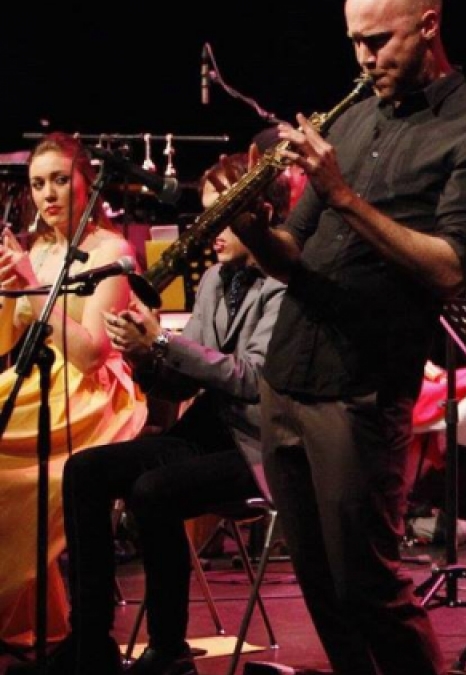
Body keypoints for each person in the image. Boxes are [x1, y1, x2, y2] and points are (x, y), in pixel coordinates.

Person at [228, 0, 466, 673]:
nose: (364, 58)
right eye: (354, 42)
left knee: (366, 585)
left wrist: (342, 194)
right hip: (288, 373)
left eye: (378, 40)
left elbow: (450, 269)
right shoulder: (353, 116)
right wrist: (249, 224)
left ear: (429, 25)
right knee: (317, 582)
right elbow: (290, 254)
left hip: (361, 383)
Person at [13, 152, 288, 675]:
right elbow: (186, 378)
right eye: (205, 215)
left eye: (220, 216)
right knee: (85, 470)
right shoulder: (215, 279)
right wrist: (143, 355)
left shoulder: (283, 285)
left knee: (153, 490)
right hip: (207, 431)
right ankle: (90, 645)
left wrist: (164, 341)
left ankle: (168, 649)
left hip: (259, 445)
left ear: (262, 215)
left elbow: (251, 379)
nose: (208, 229)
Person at [0, 132, 147, 648]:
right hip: (37, 380)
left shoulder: (113, 251)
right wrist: (8, 292)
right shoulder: (39, 251)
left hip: (92, 396)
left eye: (60, 180)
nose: (48, 194)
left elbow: (90, 354)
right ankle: (29, 615)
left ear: (86, 181)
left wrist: (31, 289)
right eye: (39, 183)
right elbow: (5, 341)